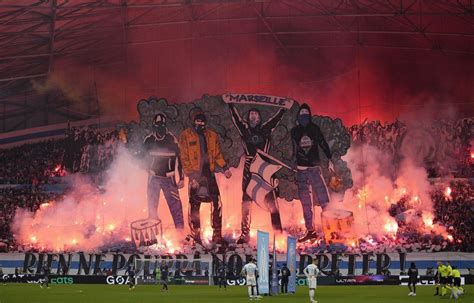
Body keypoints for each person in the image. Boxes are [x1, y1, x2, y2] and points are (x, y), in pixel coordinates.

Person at [228, 104, 286, 244]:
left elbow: (275, 120)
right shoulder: (245, 130)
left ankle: (278, 233)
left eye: (256, 114)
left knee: (272, 201)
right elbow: (236, 119)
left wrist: (283, 109)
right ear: (248, 118)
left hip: (264, 167)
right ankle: (245, 234)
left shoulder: (265, 129)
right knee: (246, 202)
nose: (253, 116)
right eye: (251, 114)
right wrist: (231, 105)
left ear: (260, 118)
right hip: (249, 167)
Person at [179, 111, 232, 244]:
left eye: (202, 122)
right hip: (194, 174)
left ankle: (217, 234)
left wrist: (225, 168)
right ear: (193, 122)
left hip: (209, 173)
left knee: (217, 203)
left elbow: (218, 153)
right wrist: (191, 176)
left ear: (205, 123)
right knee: (194, 205)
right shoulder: (186, 135)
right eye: (197, 121)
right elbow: (184, 157)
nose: (199, 124)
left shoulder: (212, 135)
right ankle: (196, 236)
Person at [291, 104, 334, 242]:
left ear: (309, 114)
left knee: (323, 198)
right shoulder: (295, 131)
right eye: (302, 112)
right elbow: (293, 148)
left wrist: (329, 158)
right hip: (301, 171)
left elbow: (322, 142)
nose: (304, 114)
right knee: (306, 203)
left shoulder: (314, 128)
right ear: (298, 115)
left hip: (314, 169)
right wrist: (293, 162)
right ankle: (311, 231)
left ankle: (331, 229)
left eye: (306, 112)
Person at [144, 113, 185, 229]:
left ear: (165, 125)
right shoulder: (148, 140)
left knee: (176, 207)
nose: (159, 127)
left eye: (162, 125)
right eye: (157, 125)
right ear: (154, 126)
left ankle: (180, 234)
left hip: (169, 179)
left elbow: (180, 159)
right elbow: (142, 158)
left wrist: (182, 178)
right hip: (153, 178)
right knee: (152, 207)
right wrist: (147, 168)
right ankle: (153, 234)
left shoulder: (172, 140)